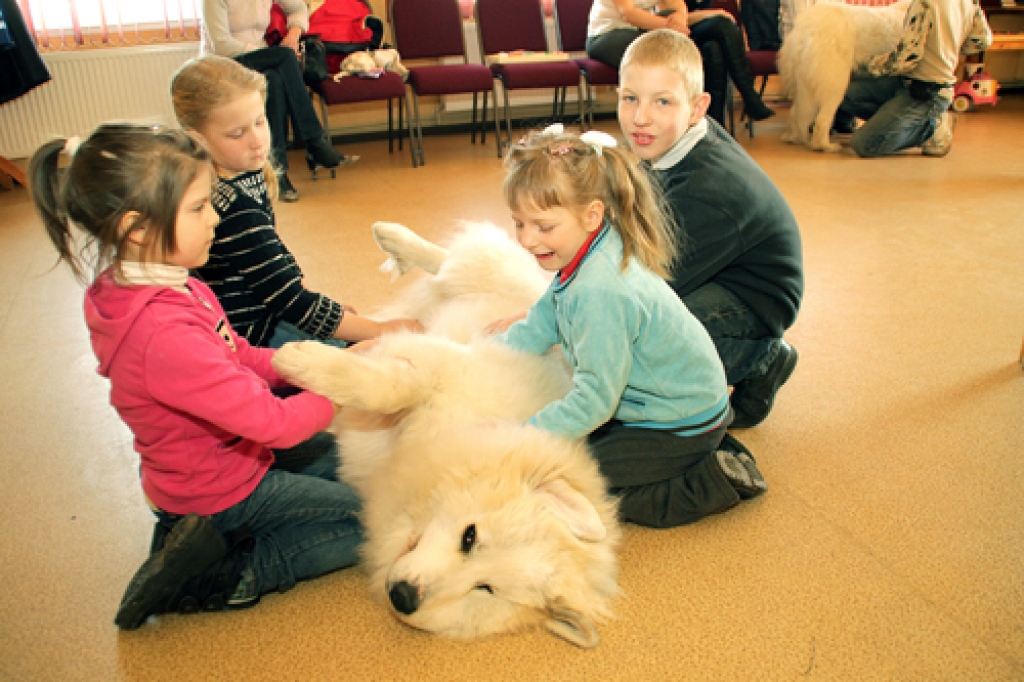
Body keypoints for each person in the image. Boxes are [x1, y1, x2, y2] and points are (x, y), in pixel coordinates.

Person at [28, 123, 364, 630]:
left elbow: (238, 354)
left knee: (348, 462)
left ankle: (193, 537)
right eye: (199, 207)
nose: (215, 218)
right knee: (373, 521)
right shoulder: (163, 332)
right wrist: (343, 384)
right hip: (220, 491)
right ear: (137, 228)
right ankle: (224, 575)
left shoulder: (171, 284)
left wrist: (310, 363)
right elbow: (274, 424)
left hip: (226, 460)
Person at [488, 124, 766, 529]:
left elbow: (595, 399)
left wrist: (523, 435)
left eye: (543, 227)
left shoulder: (600, 291)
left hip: (679, 423)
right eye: (519, 223)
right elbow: (542, 321)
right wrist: (485, 355)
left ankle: (712, 480)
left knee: (578, 480)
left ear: (592, 214)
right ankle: (701, 450)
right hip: (672, 405)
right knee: (574, 447)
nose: (527, 241)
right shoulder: (586, 247)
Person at [618, 30, 803, 429]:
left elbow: (646, 289)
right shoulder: (677, 138)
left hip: (754, 298)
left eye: (662, 101)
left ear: (697, 108)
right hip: (715, 265)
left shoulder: (706, 194)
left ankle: (761, 358)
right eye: (630, 98)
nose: (639, 117)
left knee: (641, 347)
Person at [172, 55, 423, 349]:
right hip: (255, 335)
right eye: (237, 133)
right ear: (197, 139)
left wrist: (328, 310)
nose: (257, 140)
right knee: (383, 356)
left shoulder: (243, 175)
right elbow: (290, 301)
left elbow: (278, 265)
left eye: (260, 121)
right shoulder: (235, 208)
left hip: (273, 315)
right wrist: (378, 329)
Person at [201, 0, 358, 201]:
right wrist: (265, 53)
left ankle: (278, 172)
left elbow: (298, 7)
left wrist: (293, 35)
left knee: (274, 80)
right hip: (223, 64)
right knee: (285, 57)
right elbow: (221, 44)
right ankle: (314, 141)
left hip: (259, 62)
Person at [835, 0, 992, 158]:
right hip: (912, 83)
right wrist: (950, 50)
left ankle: (930, 129)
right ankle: (895, 124)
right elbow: (983, 40)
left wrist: (862, 65)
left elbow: (907, 59)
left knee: (864, 144)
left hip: (927, 91)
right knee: (840, 94)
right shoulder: (969, 2)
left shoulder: (925, 3)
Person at [585, 0, 774, 126]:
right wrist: (673, 26)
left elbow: (677, 4)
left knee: (715, 42)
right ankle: (744, 100)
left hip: (648, 30)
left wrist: (680, 18)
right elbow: (628, 14)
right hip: (608, 35)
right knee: (662, 49)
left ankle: (714, 125)